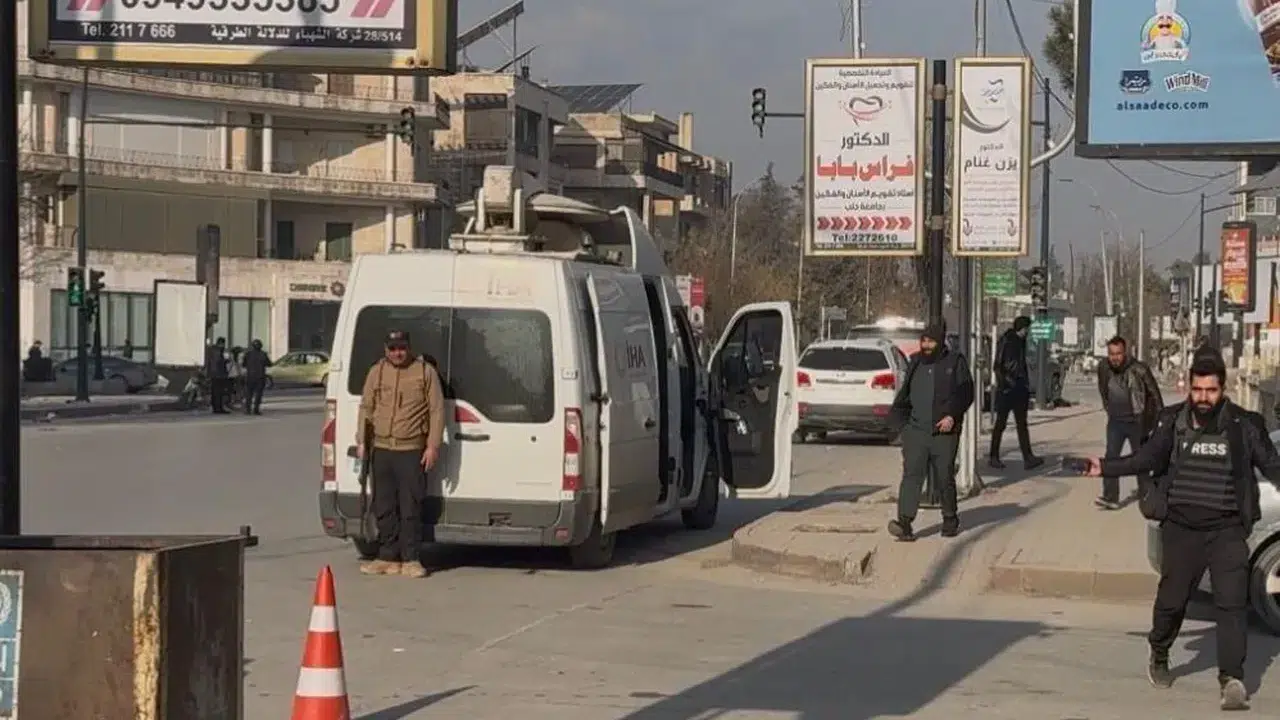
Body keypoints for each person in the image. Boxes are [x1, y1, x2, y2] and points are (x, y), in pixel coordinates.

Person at [1084, 351, 1280, 711]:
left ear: (1224, 388)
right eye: (1197, 389)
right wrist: (1106, 467)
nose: (1203, 397)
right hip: (1181, 529)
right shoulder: (1172, 421)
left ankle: (1231, 679)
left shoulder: (1244, 425)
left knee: (1232, 604)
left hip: (1228, 530)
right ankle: (1159, 650)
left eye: (1211, 390)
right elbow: (1146, 459)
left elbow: (1271, 465)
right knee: (1172, 601)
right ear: (1189, 387)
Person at [356, 330, 446, 579]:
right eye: (393, 348)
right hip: (382, 448)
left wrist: (433, 446)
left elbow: (437, 410)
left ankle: (411, 558)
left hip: (411, 449)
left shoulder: (424, 372)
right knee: (383, 506)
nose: (398, 353)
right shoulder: (377, 371)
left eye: (402, 348)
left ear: (409, 348)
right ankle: (387, 556)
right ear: (386, 349)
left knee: (410, 506)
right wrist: (362, 440)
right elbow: (366, 407)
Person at [887, 322, 975, 541]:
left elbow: (965, 392)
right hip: (916, 432)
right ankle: (904, 523)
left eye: (930, 341)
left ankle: (950, 518)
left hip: (944, 433)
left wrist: (952, 415)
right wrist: (902, 426)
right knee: (911, 476)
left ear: (940, 341)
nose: (926, 345)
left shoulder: (954, 362)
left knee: (944, 476)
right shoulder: (916, 362)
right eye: (923, 340)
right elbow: (905, 395)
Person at [1096, 335, 1164, 509]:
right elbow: (1103, 390)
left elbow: (1155, 395)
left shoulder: (1139, 369)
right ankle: (1110, 497)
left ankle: (1146, 495)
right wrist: (1109, 409)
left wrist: (1159, 422)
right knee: (1111, 458)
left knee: (1140, 460)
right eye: (1111, 354)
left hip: (1137, 421)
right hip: (1115, 422)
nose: (1114, 358)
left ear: (1124, 352)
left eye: (1118, 353)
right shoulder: (1103, 367)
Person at [988, 316, 1043, 470]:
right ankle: (994, 456)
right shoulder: (1007, 341)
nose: (1028, 332)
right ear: (1022, 328)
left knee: (1021, 425)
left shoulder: (1019, 342)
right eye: (1027, 329)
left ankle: (1028, 457)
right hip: (1008, 389)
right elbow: (998, 366)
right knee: (1001, 424)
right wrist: (1006, 384)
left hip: (1018, 389)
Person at [241, 339, 271, 415]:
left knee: (249, 394)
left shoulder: (248, 354)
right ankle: (256, 409)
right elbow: (269, 364)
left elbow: (243, 364)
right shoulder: (263, 354)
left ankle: (248, 409)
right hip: (260, 377)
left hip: (250, 376)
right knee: (258, 394)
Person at [204, 337, 229, 414]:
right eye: (223, 344)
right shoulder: (218, 351)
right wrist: (225, 361)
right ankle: (218, 408)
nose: (224, 346)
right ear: (221, 343)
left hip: (213, 374)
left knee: (215, 392)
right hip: (219, 374)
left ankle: (215, 407)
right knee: (219, 392)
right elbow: (218, 361)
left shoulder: (212, 350)